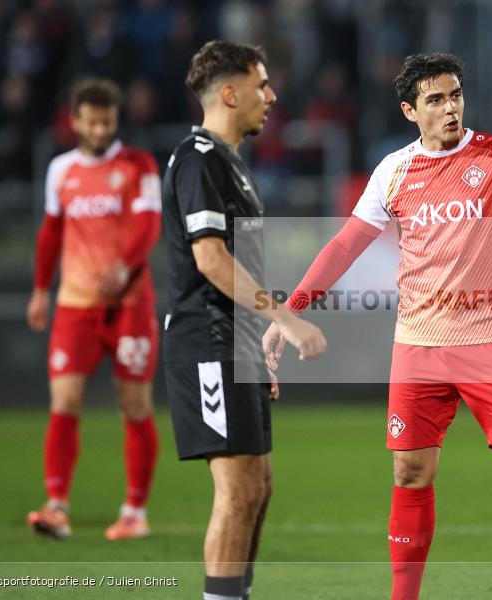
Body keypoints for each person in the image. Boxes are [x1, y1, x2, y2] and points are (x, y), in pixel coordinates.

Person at [263, 53, 492, 600]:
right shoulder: (393, 171)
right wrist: (292, 309)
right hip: (418, 346)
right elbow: (344, 246)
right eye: (435, 99)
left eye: (455, 95)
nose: (450, 107)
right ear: (410, 110)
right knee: (409, 474)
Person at [161, 40, 326, 600]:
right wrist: (286, 317)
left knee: (258, 484)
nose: (272, 96)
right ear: (229, 93)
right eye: (261, 85)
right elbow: (210, 259)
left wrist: (255, 343)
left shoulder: (229, 164)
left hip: (234, 342)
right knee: (236, 487)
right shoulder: (199, 158)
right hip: (206, 341)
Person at [26, 78, 161, 541]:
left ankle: (134, 512)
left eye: (108, 120)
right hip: (75, 306)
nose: (101, 128)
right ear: (76, 121)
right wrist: (41, 290)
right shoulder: (61, 170)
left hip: (129, 306)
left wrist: (124, 267)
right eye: (92, 120)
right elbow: (50, 234)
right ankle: (57, 504)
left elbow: (149, 224)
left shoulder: (139, 165)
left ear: (115, 120)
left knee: (135, 406)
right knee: (64, 402)